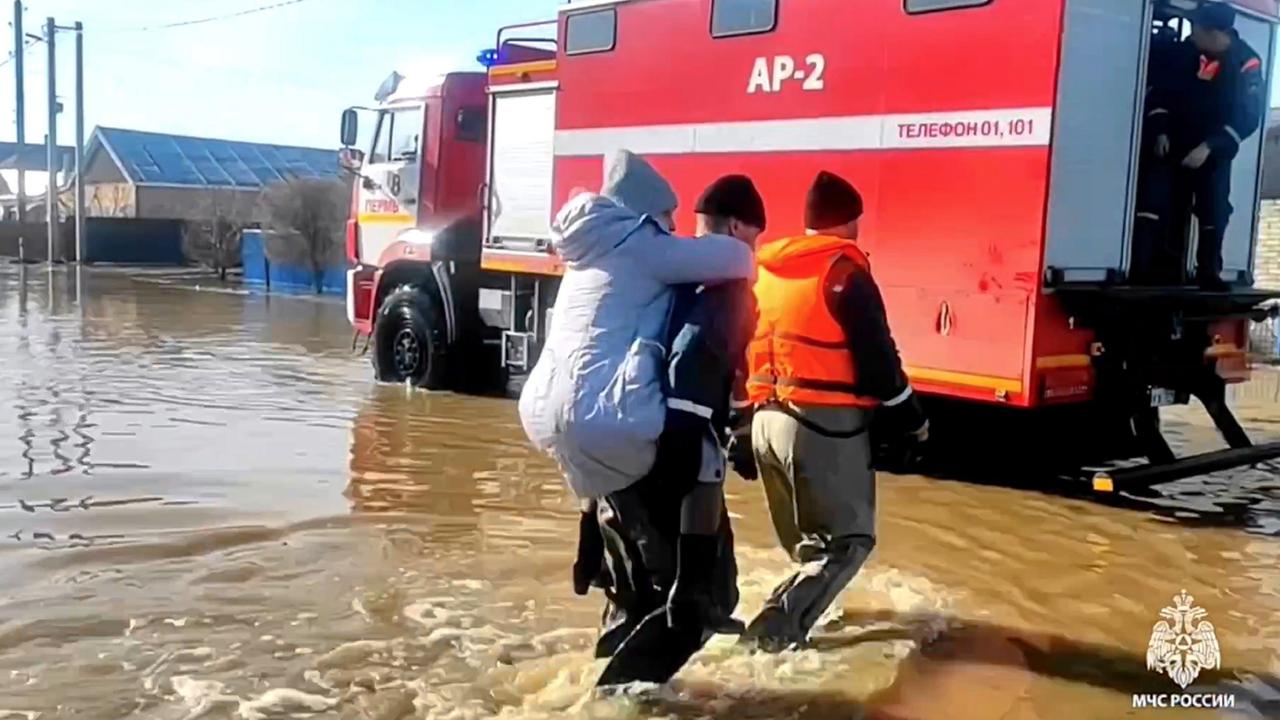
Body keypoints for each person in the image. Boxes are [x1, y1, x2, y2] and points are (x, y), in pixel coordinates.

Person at [515, 153, 756, 679]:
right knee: (702, 455)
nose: (671, 229)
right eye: (666, 218)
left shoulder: (585, 252)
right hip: (606, 418)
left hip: (548, 414)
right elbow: (738, 262)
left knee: (628, 556)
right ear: (646, 213)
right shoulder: (640, 245)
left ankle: (598, 551)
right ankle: (692, 592)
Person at [733, 170, 928, 652]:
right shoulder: (844, 273)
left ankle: (794, 619)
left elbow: (733, 347)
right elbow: (879, 361)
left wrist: (738, 425)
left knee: (809, 548)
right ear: (852, 222)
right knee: (848, 543)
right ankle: (774, 635)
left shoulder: (765, 271)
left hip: (764, 420)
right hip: (821, 425)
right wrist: (912, 418)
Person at [588, 175, 769, 686]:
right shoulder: (727, 288)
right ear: (736, 227)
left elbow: (723, 369)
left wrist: (739, 421)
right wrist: (686, 442)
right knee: (708, 597)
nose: (752, 250)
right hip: (661, 452)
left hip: (608, 447)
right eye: (753, 237)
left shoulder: (664, 276)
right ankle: (615, 700)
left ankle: (599, 674)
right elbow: (693, 357)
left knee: (637, 592)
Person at [1133, 1, 1264, 289]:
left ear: (1217, 33)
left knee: (1214, 208)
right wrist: (1161, 132)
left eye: (1196, 29)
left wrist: (1209, 147)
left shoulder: (1246, 61)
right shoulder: (1182, 54)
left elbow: (1249, 116)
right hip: (1173, 143)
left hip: (1215, 149)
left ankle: (1209, 272)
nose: (1191, 35)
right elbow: (1159, 96)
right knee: (1160, 203)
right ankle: (1152, 270)